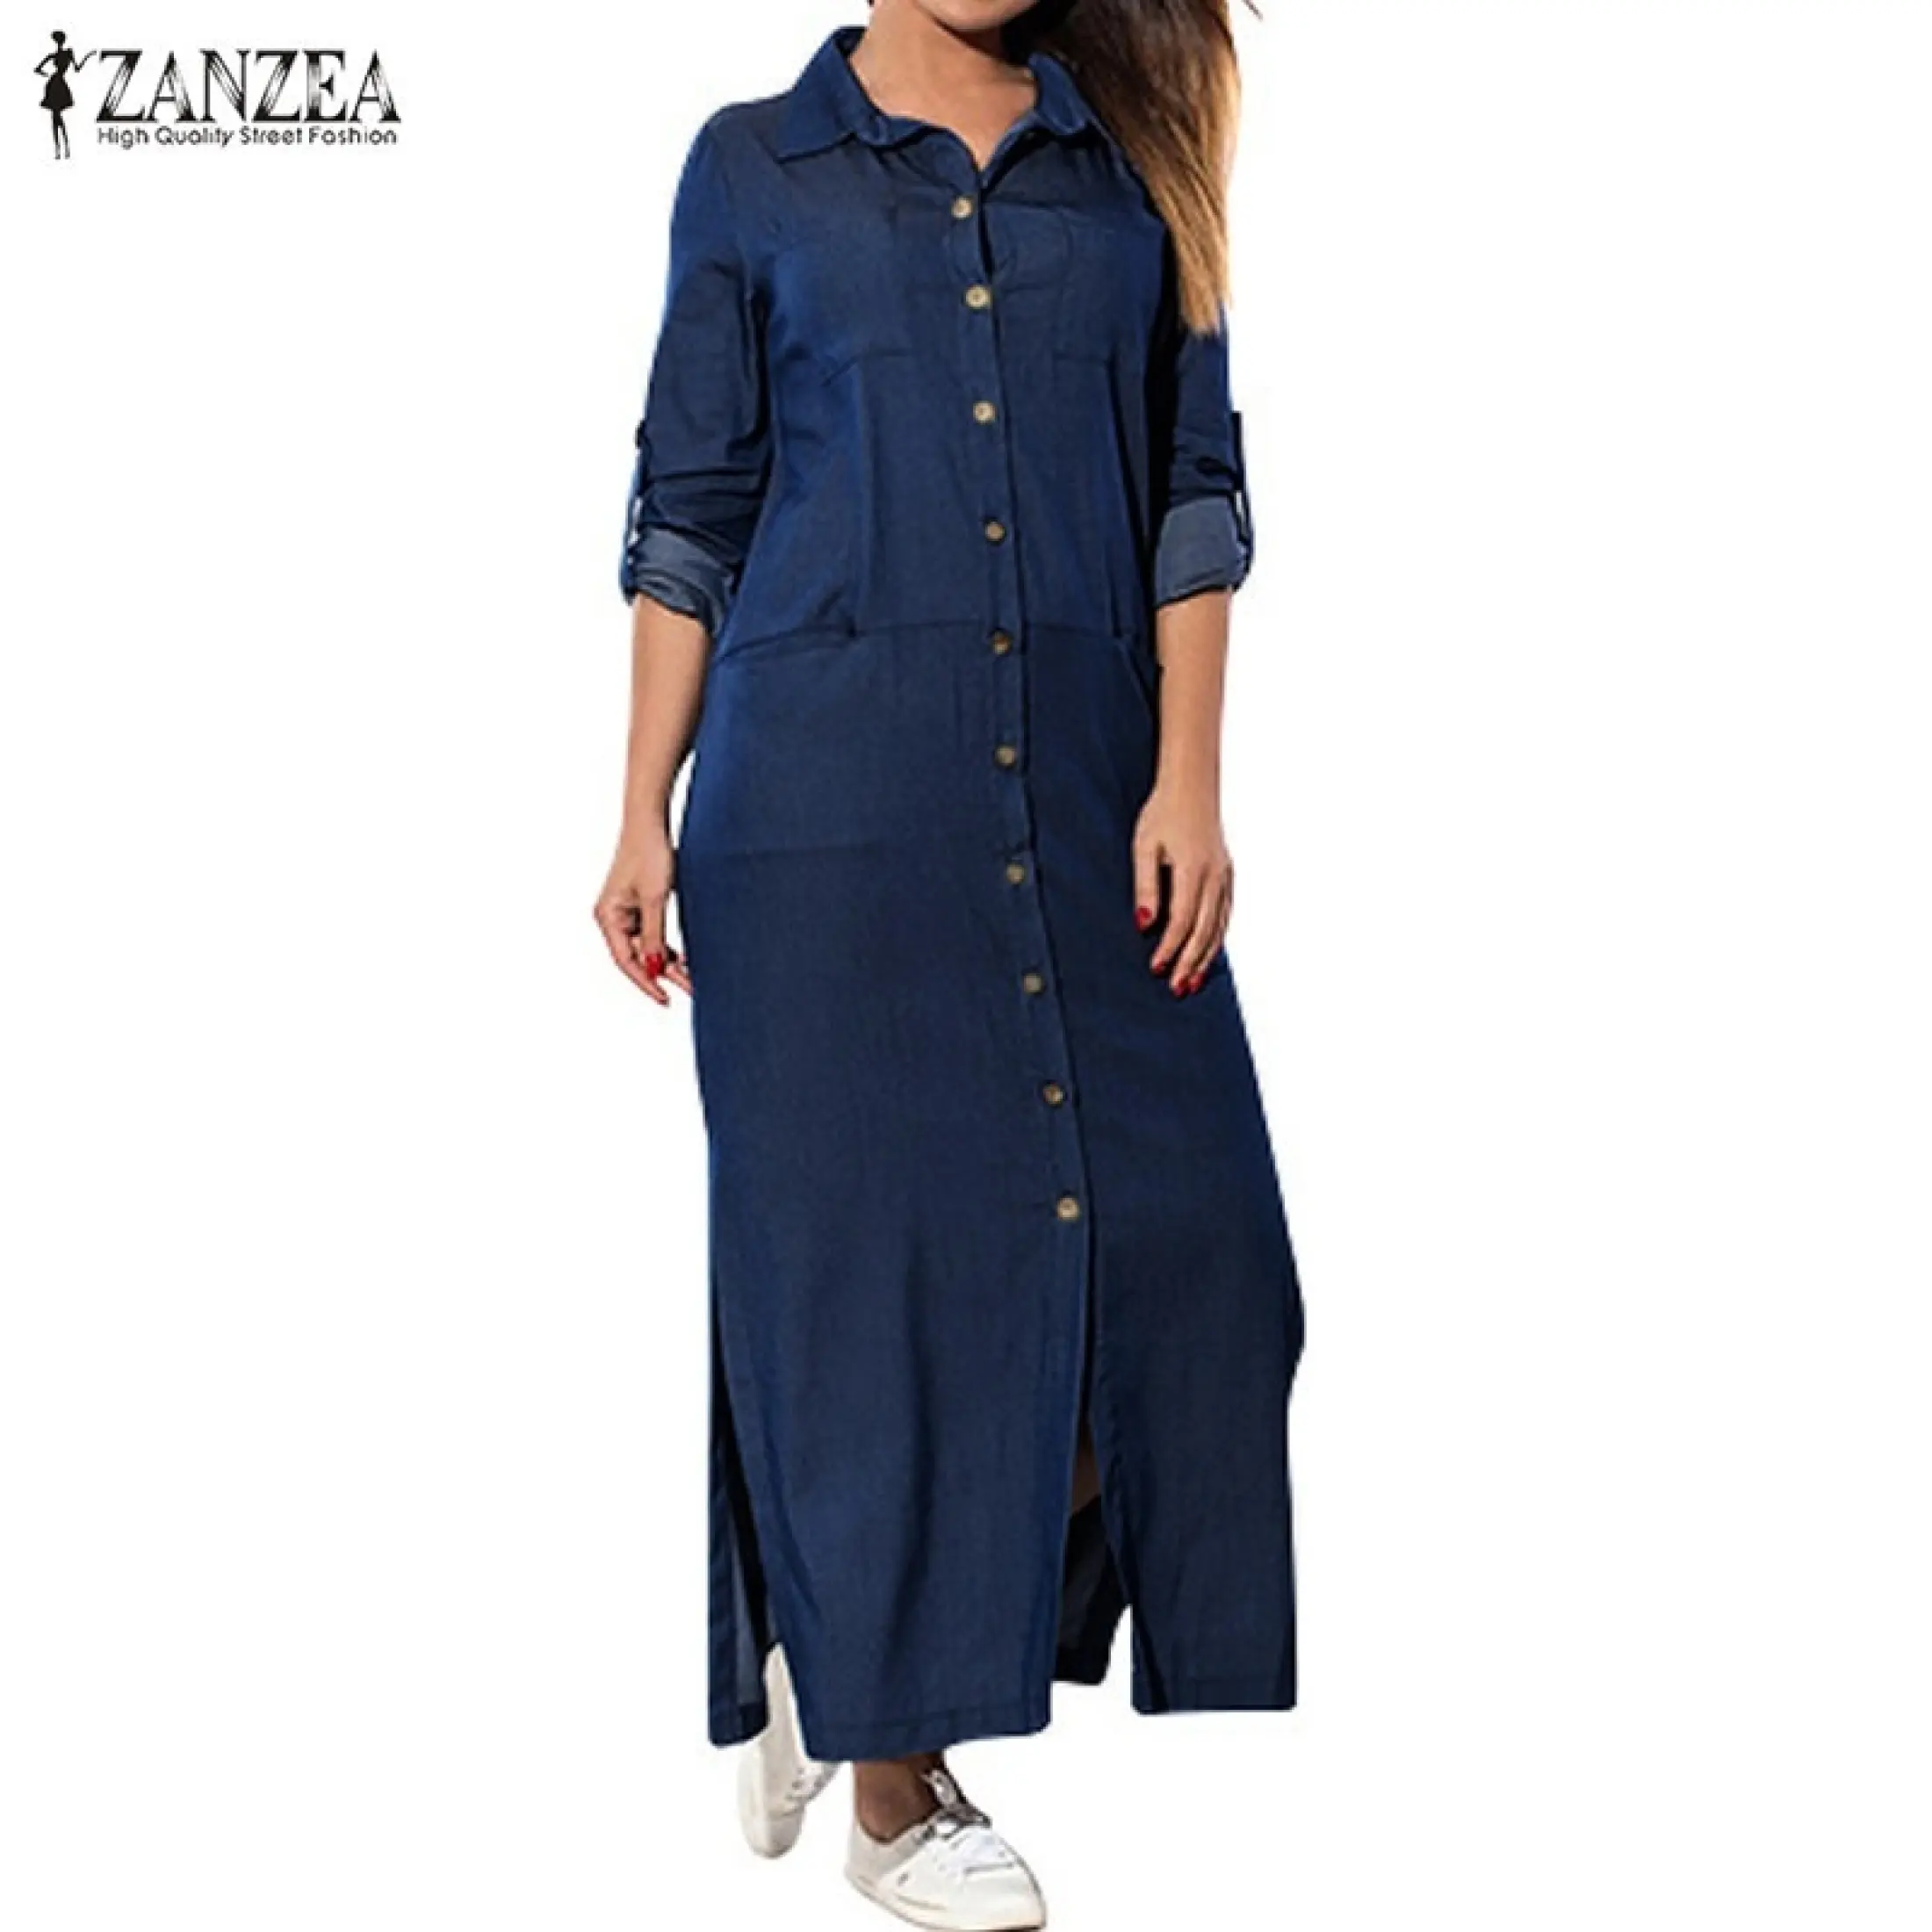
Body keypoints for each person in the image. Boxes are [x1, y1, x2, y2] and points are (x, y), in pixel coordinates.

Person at [595, 4, 1306, 1925]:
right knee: (878, 1302)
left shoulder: (1136, 167)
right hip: (820, 823)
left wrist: (1187, 775)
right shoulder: (754, 167)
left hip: (1085, 804)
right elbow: (691, 511)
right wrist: (641, 806)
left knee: (1206, 1283)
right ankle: (896, 1791)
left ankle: (824, 1628)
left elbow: (1194, 492)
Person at [36, 31, 89, 161]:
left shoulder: (60, 54)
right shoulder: (65, 54)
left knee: (56, 118)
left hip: (56, 84)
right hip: (56, 84)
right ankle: (63, 147)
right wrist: (86, 58)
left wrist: (45, 74)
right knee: (56, 118)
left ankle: (60, 148)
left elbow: (37, 69)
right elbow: (77, 69)